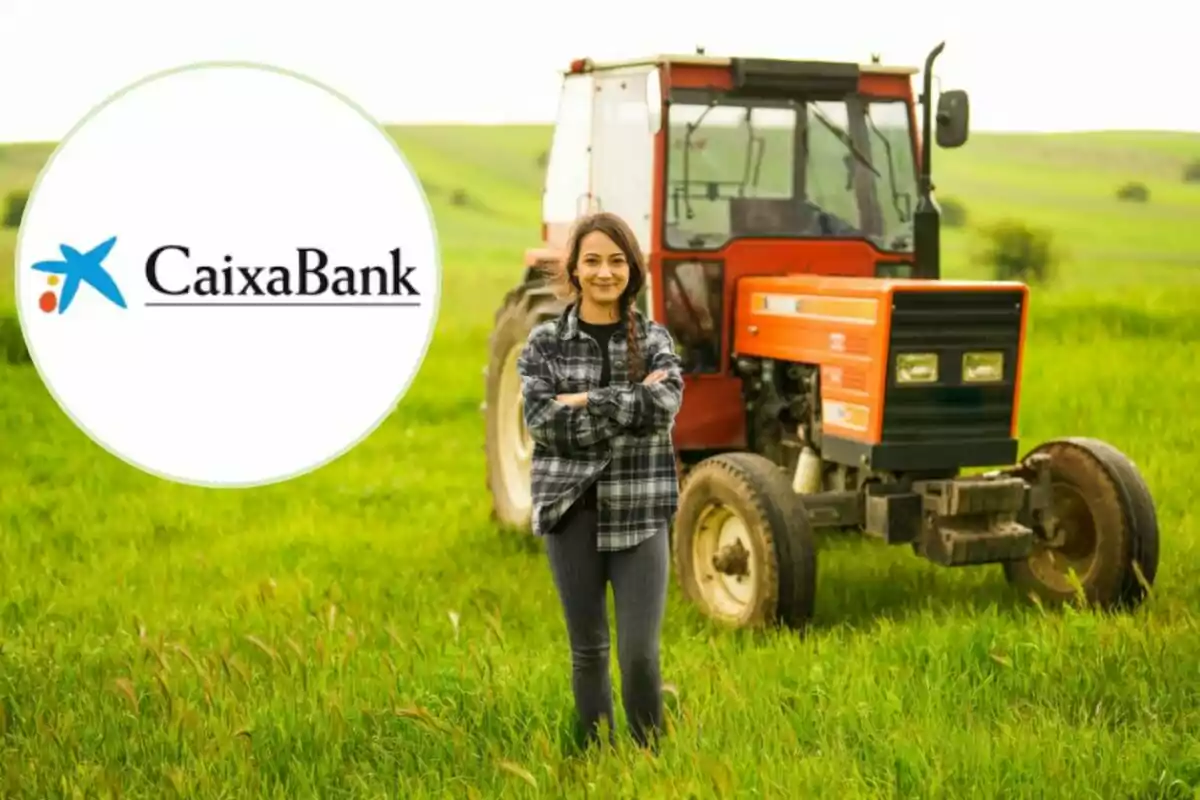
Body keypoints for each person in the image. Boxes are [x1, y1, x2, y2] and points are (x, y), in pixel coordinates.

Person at [516, 211, 685, 752]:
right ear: (574, 268)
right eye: (592, 260)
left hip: (640, 510)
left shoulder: (655, 338)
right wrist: (626, 406)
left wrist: (586, 399)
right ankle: (596, 757)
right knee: (588, 650)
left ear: (631, 270)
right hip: (570, 511)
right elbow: (542, 421)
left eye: (616, 261)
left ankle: (648, 757)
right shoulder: (545, 343)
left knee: (640, 653)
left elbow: (664, 406)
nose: (604, 272)